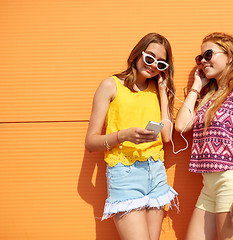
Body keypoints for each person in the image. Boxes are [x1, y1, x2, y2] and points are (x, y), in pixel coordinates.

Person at [85, 33, 178, 240]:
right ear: (138, 53)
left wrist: (163, 92)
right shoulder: (111, 85)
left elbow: (165, 137)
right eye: (149, 58)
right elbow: (90, 143)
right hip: (124, 174)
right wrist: (124, 135)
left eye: (161, 64)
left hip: (156, 172)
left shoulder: (157, 90)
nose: (153, 65)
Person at [175, 32, 233, 240]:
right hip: (209, 186)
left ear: (230, 56)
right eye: (200, 58)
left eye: (208, 54)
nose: (203, 62)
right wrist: (197, 86)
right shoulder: (209, 96)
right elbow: (181, 125)